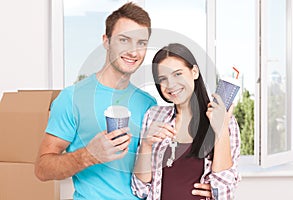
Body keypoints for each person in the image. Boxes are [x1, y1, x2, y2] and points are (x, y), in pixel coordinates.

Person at [34, 3, 157, 199]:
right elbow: (42, 169)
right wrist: (88, 156)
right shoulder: (71, 98)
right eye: (124, 40)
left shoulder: (148, 104)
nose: (134, 52)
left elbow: (157, 171)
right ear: (106, 41)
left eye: (141, 43)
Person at [131, 43, 241, 199]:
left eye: (177, 74)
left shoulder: (224, 121)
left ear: (194, 72)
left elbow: (223, 193)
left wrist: (221, 130)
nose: (170, 85)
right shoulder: (153, 116)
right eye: (163, 78)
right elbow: (140, 189)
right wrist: (146, 145)